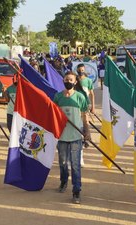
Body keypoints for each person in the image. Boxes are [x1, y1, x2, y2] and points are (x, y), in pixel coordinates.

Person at [53, 71, 90, 204]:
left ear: (75, 82)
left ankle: (76, 190)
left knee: (75, 165)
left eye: (71, 80)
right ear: (63, 81)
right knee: (63, 163)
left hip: (75, 136)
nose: (68, 81)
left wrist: (87, 132)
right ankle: (63, 181)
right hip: (62, 136)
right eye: (66, 79)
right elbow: (53, 114)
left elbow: (85, 116)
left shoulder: (80, 97)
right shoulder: (57, 96)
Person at [76, 63, 95, 166]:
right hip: (76, 105)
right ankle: (81, 138)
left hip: (86, 104)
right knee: (78, 123)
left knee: (85, 122)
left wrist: (93, 106)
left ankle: (87, 138)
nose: (81, 71)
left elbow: (92, 94)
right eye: (79, 70)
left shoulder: (88, 81)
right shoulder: (75, 80)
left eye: (82, 70)